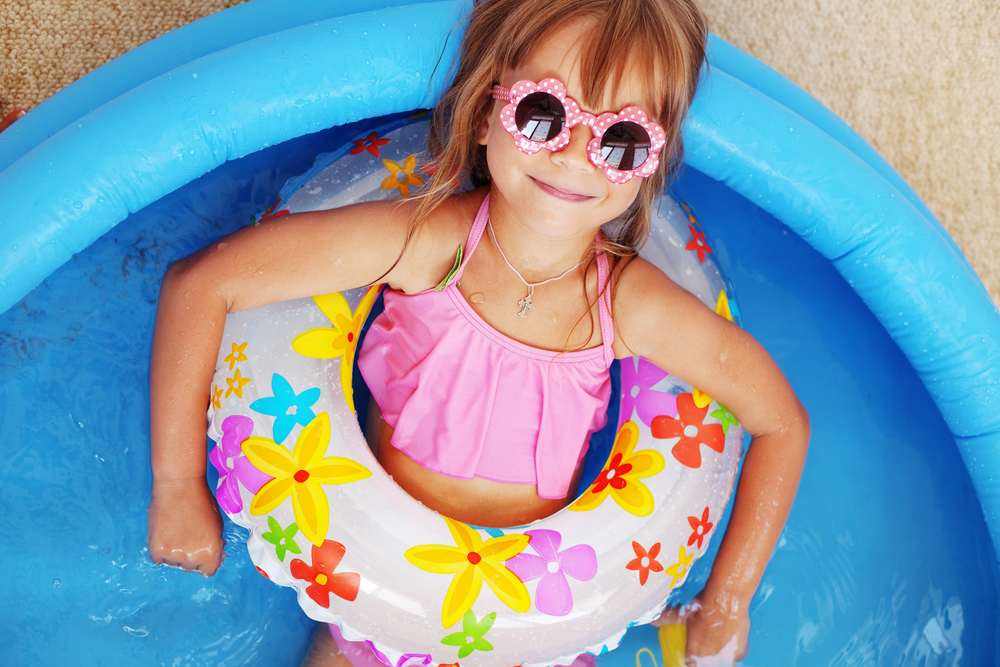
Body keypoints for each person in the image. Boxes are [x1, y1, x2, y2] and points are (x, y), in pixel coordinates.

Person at [146, 0, 810, 664]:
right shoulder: (425, 245)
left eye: (620, 141)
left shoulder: (631, 306)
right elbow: (202, 283)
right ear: (488, 106)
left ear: (651, 162)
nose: (576, 158)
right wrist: (177, 485)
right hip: (374, 600)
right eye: (544, 115)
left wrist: (728, 600)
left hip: (532, 632)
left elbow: (781, 421)